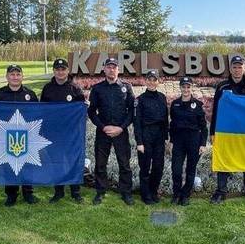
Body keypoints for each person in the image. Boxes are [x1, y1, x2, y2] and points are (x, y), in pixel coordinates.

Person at [209, 55, 245, 204]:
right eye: (234, 67)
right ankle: (221, 191)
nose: (237, 70)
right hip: (227, 131)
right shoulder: (222, 86)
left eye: (240, 67)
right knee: (224, 158)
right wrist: (213, 131)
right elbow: (216, 109)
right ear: (230, 69)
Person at [87, 57, 135, 205]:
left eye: (114, 67)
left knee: (124, 164)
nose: (111, 69)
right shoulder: (97, 89)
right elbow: (92, 112)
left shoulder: (126, 87)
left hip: (121, 132)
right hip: (103, 132)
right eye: (108, 67)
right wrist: (103, 127)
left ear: (118, 70)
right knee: (100, 164)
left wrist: (121, 127)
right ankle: (100, 192)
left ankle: (126, 193)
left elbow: (131, 112)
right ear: (104, 69)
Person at [0, 64, 40, 206]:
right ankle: (11, 194)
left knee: (27, 164)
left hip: (26, 135)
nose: (15, 77)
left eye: (18, 74)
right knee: (9, 165)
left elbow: (37, 114)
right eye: (12, 74)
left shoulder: (30, 94)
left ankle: (28, 193)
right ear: (7, 76)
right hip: (6, 136)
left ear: (22, 76)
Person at [40, 58, 87, 204]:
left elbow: (81, 111)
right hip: (53, 133)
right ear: (54, 71)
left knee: (73, 161)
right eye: (57, 69)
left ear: (67, 71)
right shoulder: (47, 89)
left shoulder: (75, 88)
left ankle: (75, 192)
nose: (60, 72)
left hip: (71, 134)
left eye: (63, 69)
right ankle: (58, 191)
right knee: (56, 162)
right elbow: (41, 110)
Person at [169, 77, 208, 206]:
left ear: (191, 88)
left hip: (193, 141)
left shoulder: (197, 105)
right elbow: (173, 125)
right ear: (180, 87)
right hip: (179, 141)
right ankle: (176, 194)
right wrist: (171, 141)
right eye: (183, 86)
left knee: (191, 170)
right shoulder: (175, 104)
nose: (186, 89)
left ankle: (185, 195)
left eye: (188, 87)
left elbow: (203, 127)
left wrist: (202, 144)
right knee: (176, 169)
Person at [134, 69, 169, 204]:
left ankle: (153, 191)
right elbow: (137, 122)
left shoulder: (162, 97)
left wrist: (166, 138)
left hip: (159, 136)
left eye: (154, 80)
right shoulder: (140, 100)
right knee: (145, 167)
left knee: (158, 167)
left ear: (158, 82)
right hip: (146, 135)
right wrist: (139, 142)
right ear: (145, 81)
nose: (152, 82)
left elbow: (165, 119)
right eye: (149, 79)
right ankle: (145, 194)